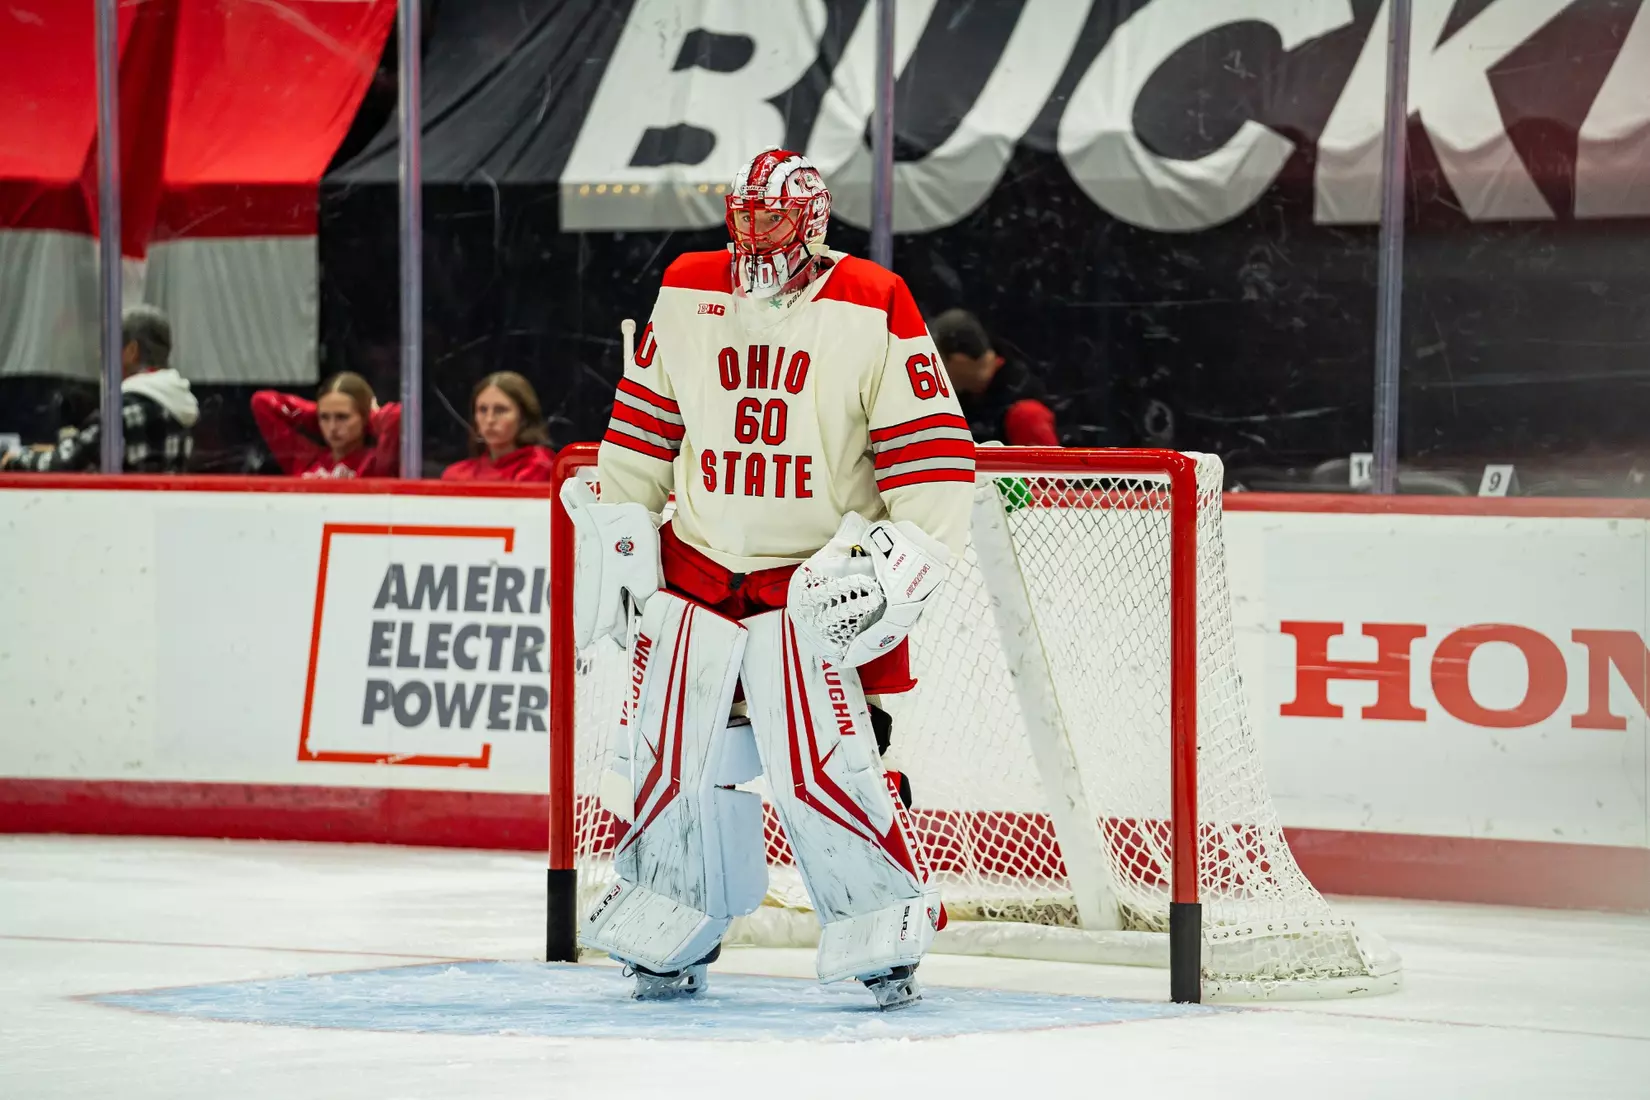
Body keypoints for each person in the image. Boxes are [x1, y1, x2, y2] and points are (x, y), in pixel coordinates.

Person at [564, 147, 974, 1010]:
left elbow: (933, 460)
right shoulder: (685, 286)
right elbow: (641, 435)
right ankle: (670, 912)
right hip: (696, 576)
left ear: (813, 221)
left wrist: (905, 562)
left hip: (812, 588)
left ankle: (880, 920)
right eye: (743, 216)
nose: (754, 235)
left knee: (825, 767)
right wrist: (621, 535)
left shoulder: (874, 302)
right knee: (670, 764)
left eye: (772, 219)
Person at [0, 305, 198, 473]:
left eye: (109, 345)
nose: (100, 354)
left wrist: (12, 458)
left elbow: (64, 464)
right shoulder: (180, 406)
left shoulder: (121, 414)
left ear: (131, 351)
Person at [929, 308, 1059, 446]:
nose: (934, 371)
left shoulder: (1025, 414)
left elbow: (1050, 467)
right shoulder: (959, 400)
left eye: (937, 362)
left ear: (959, 359)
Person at [251, 372, 400, 478]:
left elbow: (397, 416)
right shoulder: (306, 459)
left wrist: (372, 417)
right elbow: (261, 402)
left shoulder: (374, 463)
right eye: (325, 417)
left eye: (342, 417)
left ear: (364, 417)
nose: (332, 427)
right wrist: (314, 413)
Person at [441, 371, 555, 482]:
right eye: (483, 410)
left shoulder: (540, 466)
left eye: (500, 410)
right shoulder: (456, 474)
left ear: (523, 417)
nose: (489, 420)